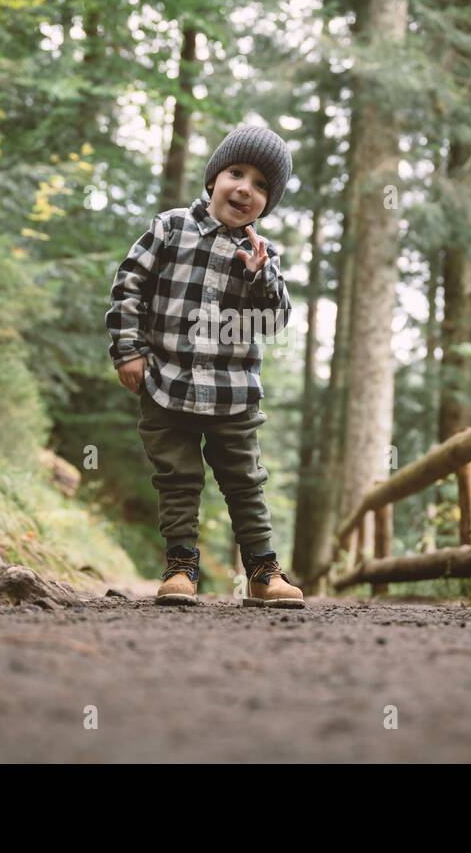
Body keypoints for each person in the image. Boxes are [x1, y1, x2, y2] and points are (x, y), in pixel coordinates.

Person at [105, 124, 305, 608]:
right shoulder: (170, 227)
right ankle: (180, 567)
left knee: (245, 482)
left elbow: (275, 322)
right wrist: (128, 350)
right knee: (176, 478)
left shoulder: (263, 255)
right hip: (165, 384)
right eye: (237, 173)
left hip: (231, 392)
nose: (245, 189)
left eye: (261, 185)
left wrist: (260, 279)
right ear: (214, 176)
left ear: (267, 202)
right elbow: (128, 287)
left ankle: (262, 572)